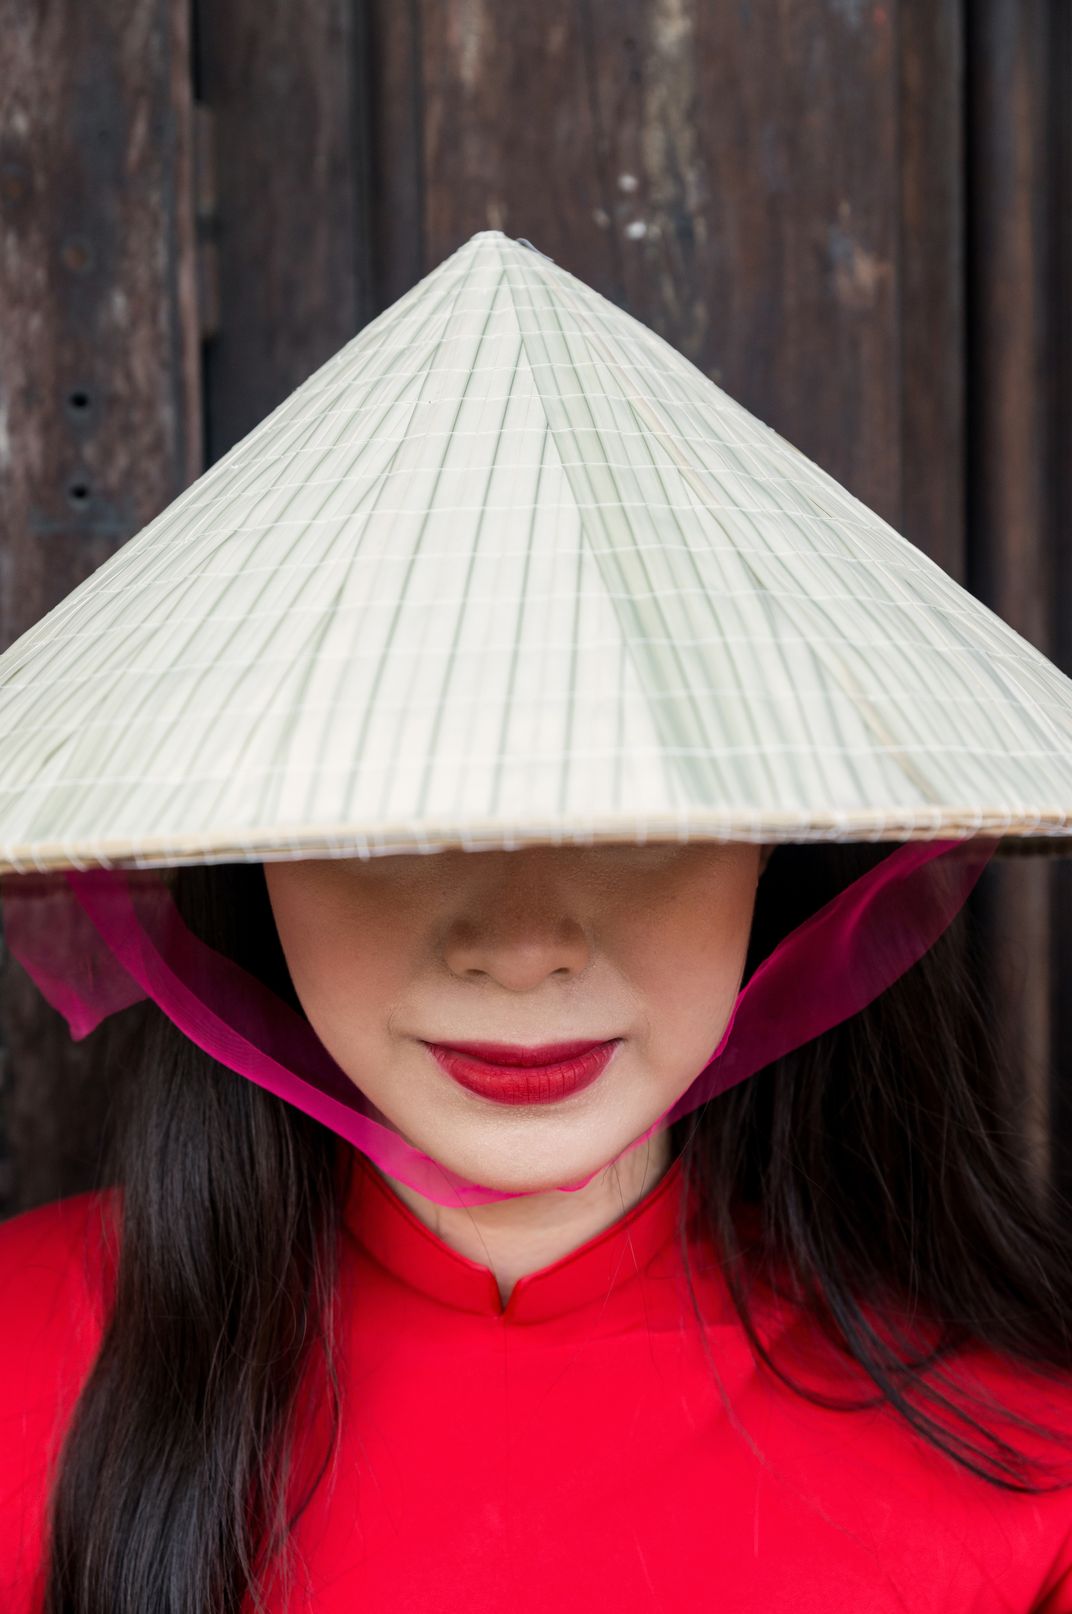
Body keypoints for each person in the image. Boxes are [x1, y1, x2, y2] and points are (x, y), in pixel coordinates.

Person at [1, 230, 1072, 1612]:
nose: (520, 945)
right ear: (250, 838)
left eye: (634, 813)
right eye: (395, 813)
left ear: (782, 832)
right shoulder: (22, 1364)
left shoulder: (1031, 1467)